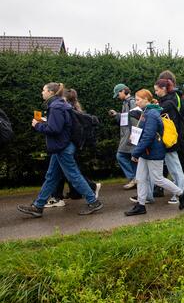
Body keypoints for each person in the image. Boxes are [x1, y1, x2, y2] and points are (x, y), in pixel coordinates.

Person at [17, 83, 103, 218]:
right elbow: (60, 126)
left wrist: (38, 125)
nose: (42, 92)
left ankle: (93, 202)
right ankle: (38, 206)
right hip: (62, 146)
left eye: (43, 90)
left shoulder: (56, 106)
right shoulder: (60, 104)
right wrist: (46, 122)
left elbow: (54, 130)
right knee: (51, 177)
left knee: (73, 176)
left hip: (62, 147)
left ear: (51, 92)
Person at [125, 89, 184, 216]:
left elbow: (149, 136)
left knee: (157, 179)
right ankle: (141, 205)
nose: (136, 102)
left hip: (153, 152)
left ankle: (182, 194)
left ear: (146, 100)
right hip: (147, 152)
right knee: (140, 178)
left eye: (138, 100)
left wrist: (136, 152)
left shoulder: (151, 114)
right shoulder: (147, 112)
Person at [46, 89, 101, 207]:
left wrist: (41, 125)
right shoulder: (72, 109)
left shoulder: (67, 110)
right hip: (68, 146)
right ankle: (45, 200)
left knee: (71, 174)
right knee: (58, 174)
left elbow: (59, 129)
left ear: (66, 99)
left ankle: (91, 195)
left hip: (65, 146)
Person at [153, 78, 184, 203]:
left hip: (170, 140)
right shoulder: (170, 100)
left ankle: (181, 194)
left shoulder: (167, 103)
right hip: (172, 139)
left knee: (175, 169)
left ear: (163, 89)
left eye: (156, 90)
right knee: (175, 168)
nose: (155, 92)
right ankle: (180, 192)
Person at [109, 83, 140, 190]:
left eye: (118, 94)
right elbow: (126, 118)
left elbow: (135, 118)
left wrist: (134, 134)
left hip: (131, 134)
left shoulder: (131, 102)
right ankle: (136, 179)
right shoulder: (126, 102)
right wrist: (116, 115)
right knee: (132, 157)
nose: (117, 97)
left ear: (123, 91)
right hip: (128, 134)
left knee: (121, 155)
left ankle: (133, 178)